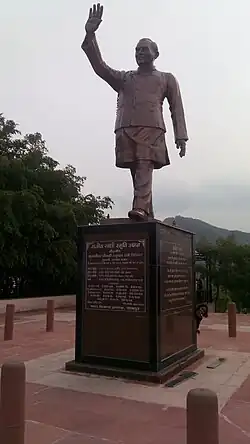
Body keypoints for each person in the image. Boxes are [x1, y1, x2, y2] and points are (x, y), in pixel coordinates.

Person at [82, 3, 188, 221]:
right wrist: (90, 34)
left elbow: (176, 107)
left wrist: (181, 136)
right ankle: (146, 212)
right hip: (125, 128)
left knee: (143, 165)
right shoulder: (124, 77)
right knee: (138, 171)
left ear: (155, 54)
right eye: (137, 50)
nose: (140, 53)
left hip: (151, 128)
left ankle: (139, 207)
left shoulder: (167, 78)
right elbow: (100, 67)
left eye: (144, 49)